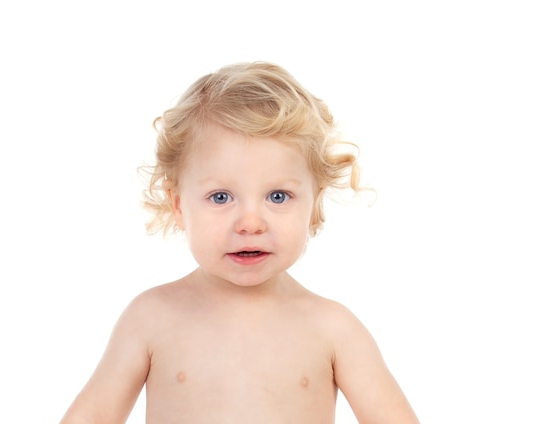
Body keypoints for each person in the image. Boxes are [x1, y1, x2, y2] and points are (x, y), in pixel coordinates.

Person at [60, 62, 419, 423]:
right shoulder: (151, 317)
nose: (250, 223)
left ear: (314, 204)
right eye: (221, 197)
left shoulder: (334, 329)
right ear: (179, 204)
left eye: (278, 196)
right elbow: (92, 416)